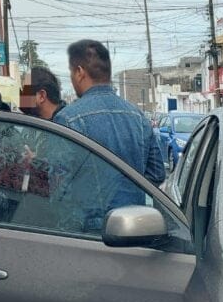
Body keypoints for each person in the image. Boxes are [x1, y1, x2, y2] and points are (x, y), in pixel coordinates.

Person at [55, 40, 164, 230]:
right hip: (135, 228)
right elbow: (156, 173)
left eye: (72, 72)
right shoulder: (137, 116)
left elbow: (58, 185)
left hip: (88, 233)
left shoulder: (68, 118)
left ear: (80, 72)